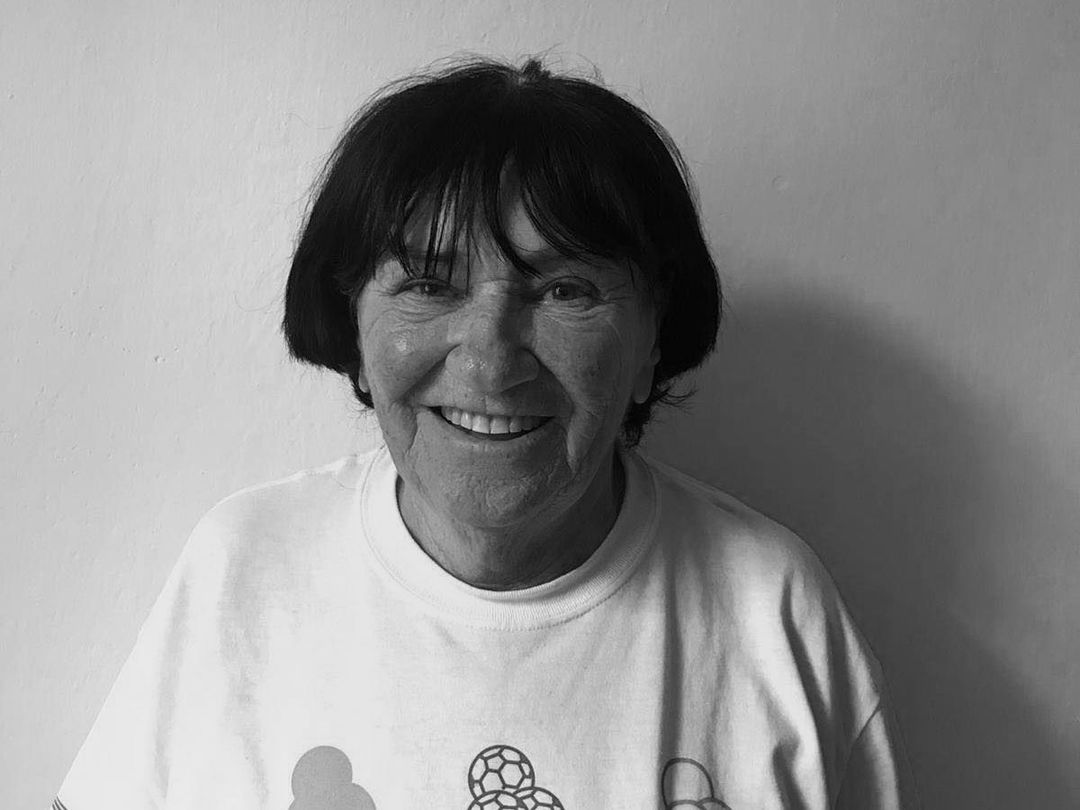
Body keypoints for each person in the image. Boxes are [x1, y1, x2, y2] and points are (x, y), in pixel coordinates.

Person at [53, 57, 916, 809]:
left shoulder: (775, 610)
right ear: (352, 321)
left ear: (653, 338)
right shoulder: (244, 568)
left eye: (565, 290)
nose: (491, 362)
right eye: (430, 284)